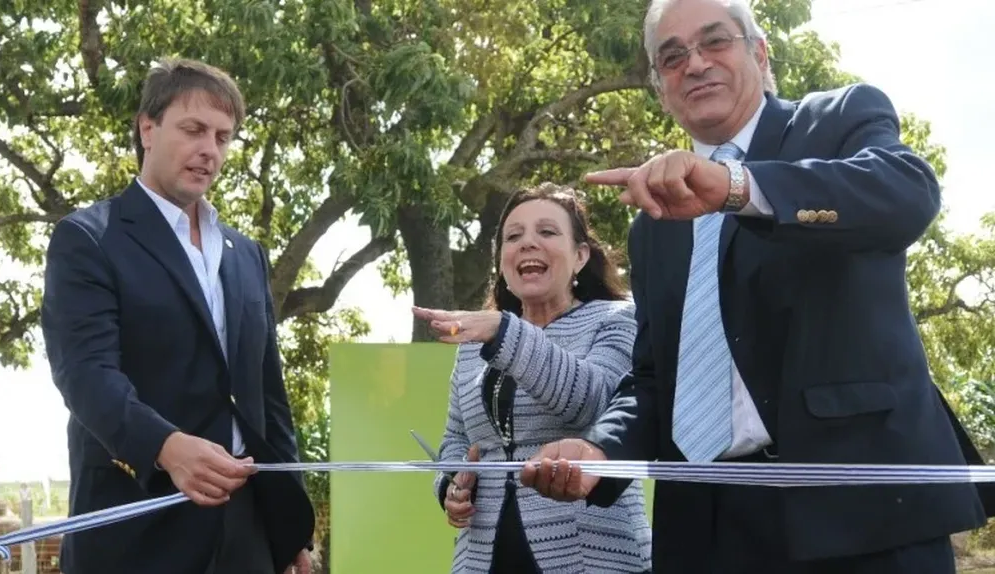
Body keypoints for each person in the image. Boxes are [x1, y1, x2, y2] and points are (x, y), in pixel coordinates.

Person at [519, 1, 995, 573]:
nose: (694, 64)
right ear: (659, 86)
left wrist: (738, 187)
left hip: (860, 516)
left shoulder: (838, 118)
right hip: (707, 529)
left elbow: (907, 193)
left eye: (714, 41)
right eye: (671, 57)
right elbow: (654, 377)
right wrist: (601, 449)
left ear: (760, 51)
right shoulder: (653, 223)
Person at [40, 58, 314, 574]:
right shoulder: (89, 239)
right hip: (135, 528)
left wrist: (289, 529)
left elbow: (268, 402)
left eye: (223, 137)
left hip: (246, 535)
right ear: (148, 128)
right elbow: (85, 373)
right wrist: (164, 446)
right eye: (193, 129)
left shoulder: (246, 253)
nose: (209, 150)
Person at [412, 182, 652, 573]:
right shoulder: (474, 346)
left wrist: (505, 332)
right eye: (513, 236)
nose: (527, 243)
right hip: (483, 555)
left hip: (588, 554)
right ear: (502, 262)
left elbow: (594, 403)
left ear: (580, 256)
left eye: (547, 231)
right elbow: (456, 439)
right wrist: (452, 485)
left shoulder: (618, 320)